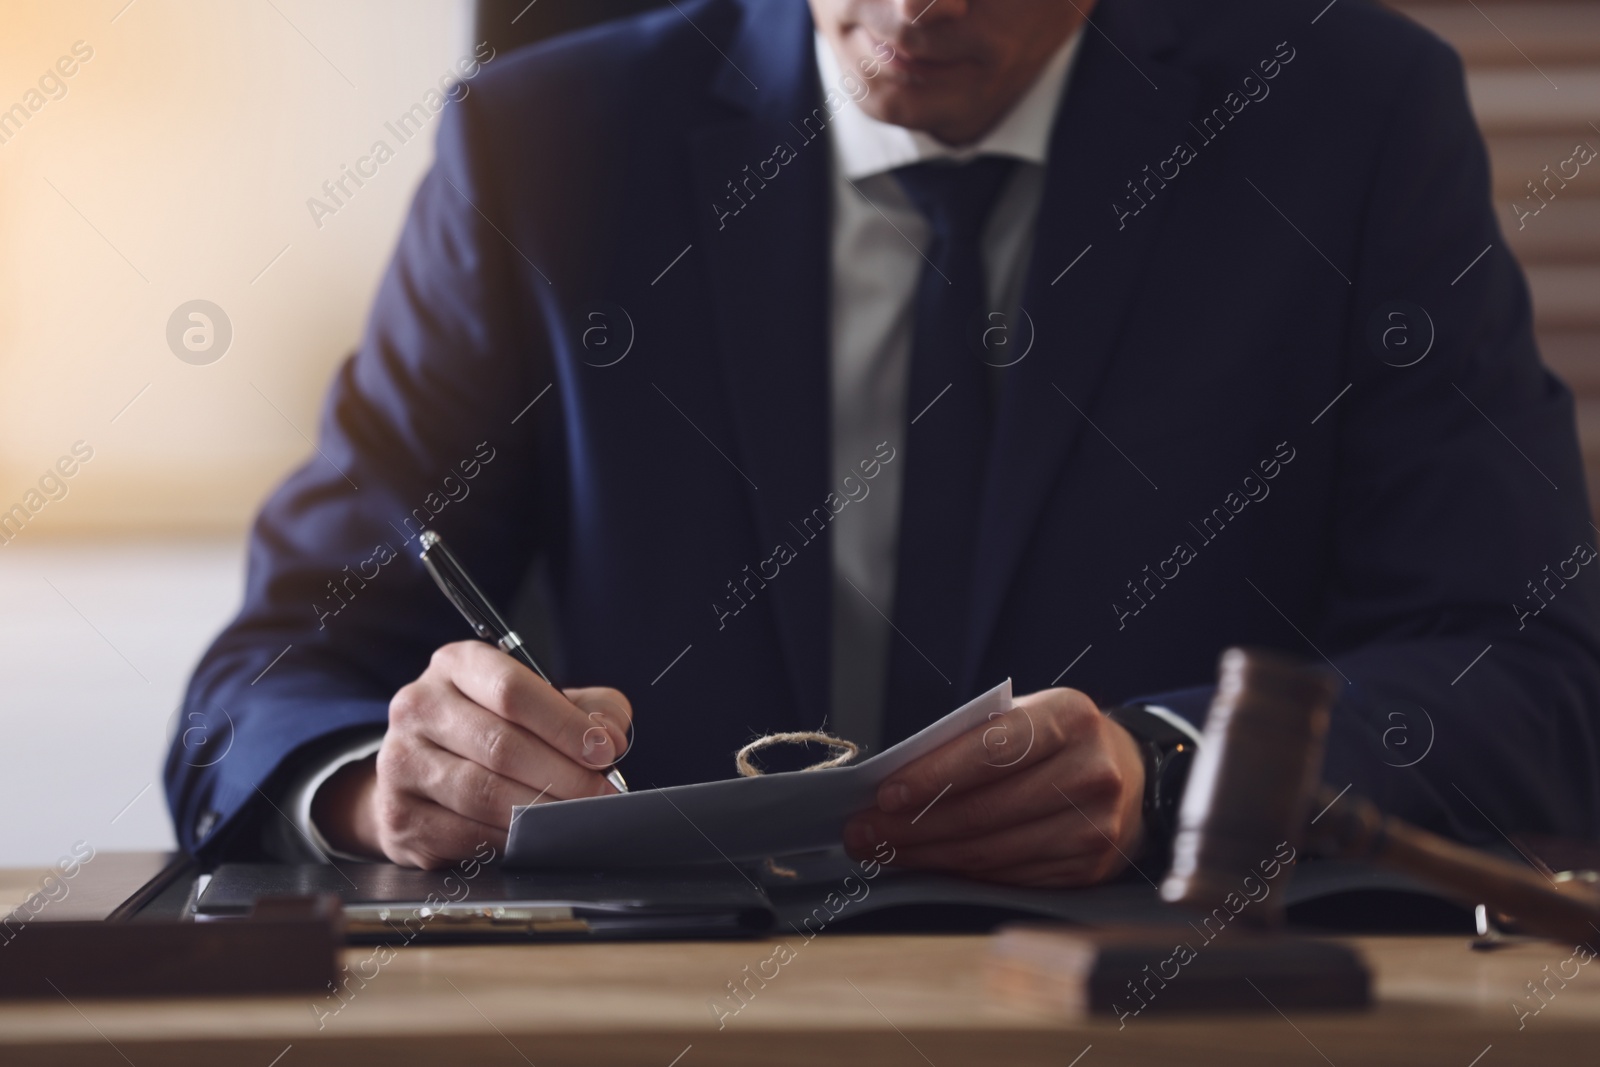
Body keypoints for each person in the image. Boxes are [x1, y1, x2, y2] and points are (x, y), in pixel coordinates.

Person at [166, 0, 1600, 884]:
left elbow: (1532, 676)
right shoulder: (539, 148)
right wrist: (373, 783)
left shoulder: (1350, 123)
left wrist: (1173, 774)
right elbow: (272, 678)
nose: (923, 1)